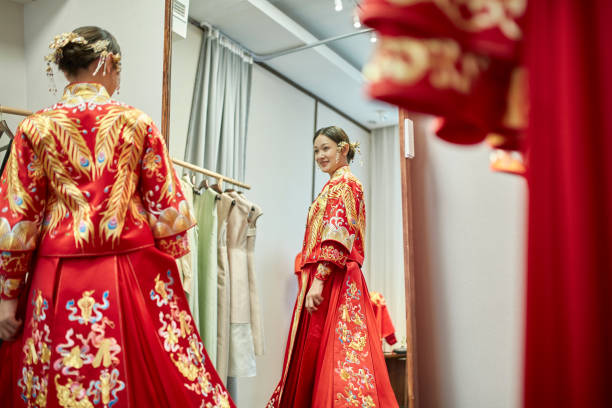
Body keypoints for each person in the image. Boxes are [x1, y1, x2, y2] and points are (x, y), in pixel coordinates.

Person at [0, 27, 234, 408]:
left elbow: (17, 221)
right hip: (132, 273)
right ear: (106, 62)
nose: (117, 80)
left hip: (55, 275)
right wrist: (174, 272)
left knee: (53, 378)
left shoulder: (33, 128)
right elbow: (167, 212)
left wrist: (7, 297)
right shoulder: (136, 122)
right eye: (118, 70)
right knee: (150, 377)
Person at [267, 126, 398, 407]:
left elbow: (338, 231)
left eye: (325, 148)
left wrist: (320, 279)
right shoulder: (332, 187)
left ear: (343, 149)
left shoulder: (347, 184)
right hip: (325, 274)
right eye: (316, 150)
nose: (319, 155)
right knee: (319, 353)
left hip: (334, 276)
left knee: (336, 357)